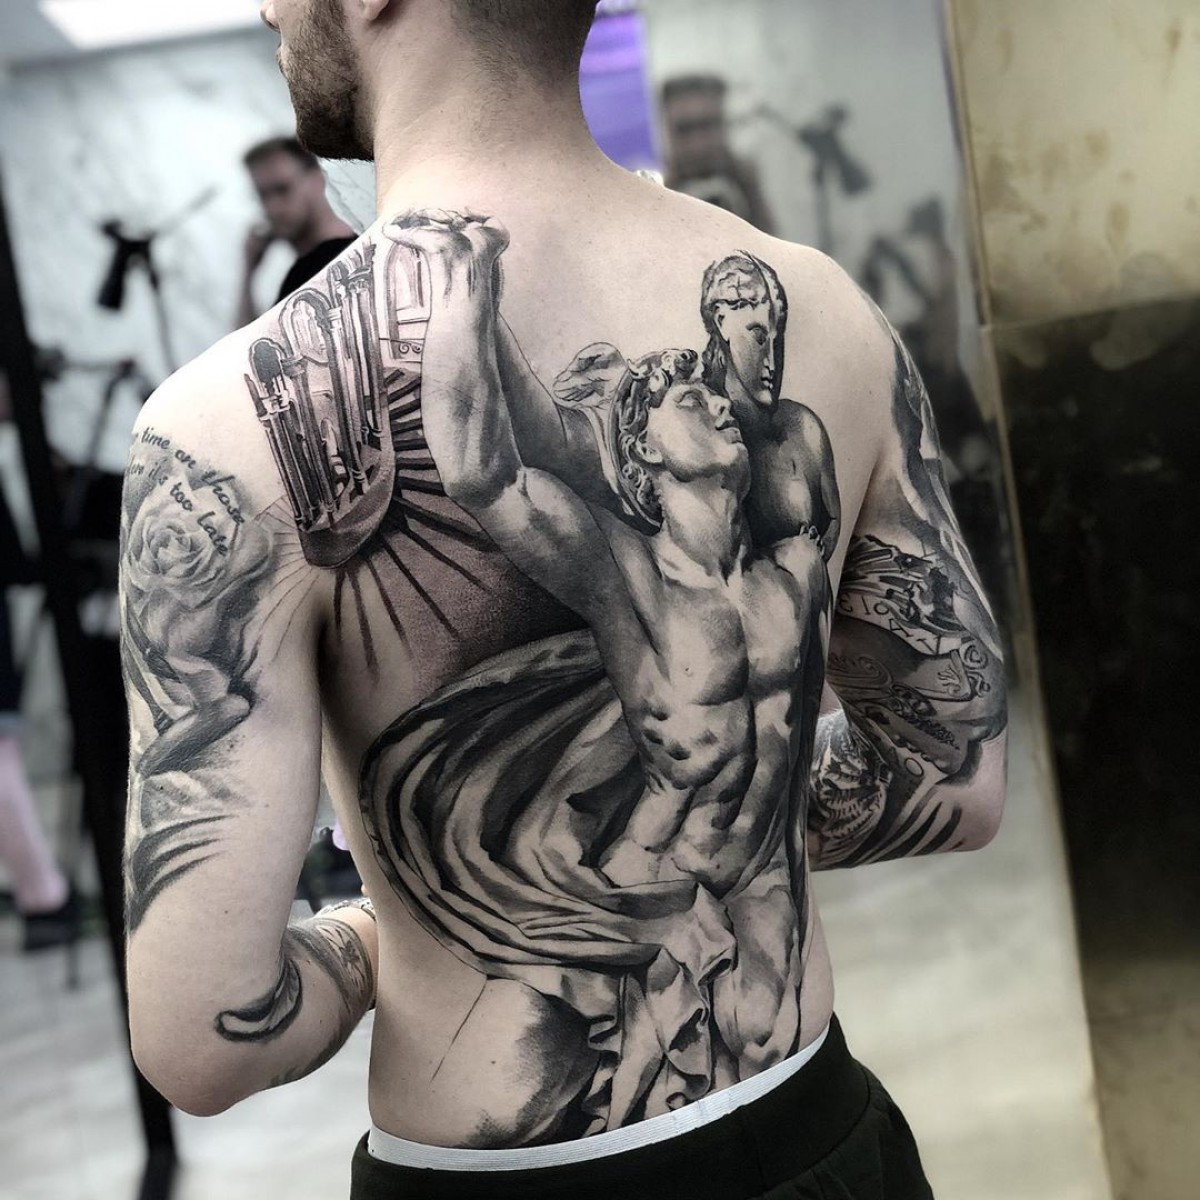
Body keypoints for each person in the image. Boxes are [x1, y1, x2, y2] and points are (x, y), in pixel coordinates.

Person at [118, 4, 1007, 1199]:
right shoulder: (833, 317)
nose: (273, 6)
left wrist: (379, 931)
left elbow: (206, 1035)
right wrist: (719, 839)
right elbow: (957, 778)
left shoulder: (218, 431)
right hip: (818, 1137)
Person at [235, 135, 357, 328]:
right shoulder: (301, 278)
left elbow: (247, 345)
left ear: (317, 178)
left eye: (282, 189)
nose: (272, 208)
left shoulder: (342, 262)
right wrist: (249, 270)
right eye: (262, 195)